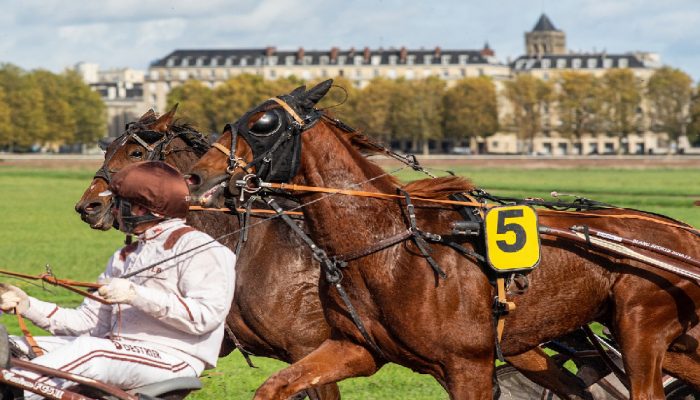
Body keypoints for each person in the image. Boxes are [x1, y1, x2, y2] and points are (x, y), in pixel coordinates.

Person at [0, 161, 236, 397]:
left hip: (175, 358)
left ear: (142, 209)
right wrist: (28, 305)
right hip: (114, 349)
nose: (113, 211)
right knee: (13, 346)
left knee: (91, 351)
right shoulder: (124, 257)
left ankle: (17, 392)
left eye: (119, 204)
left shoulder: (202, 249)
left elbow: (207, 316)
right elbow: (87, 324)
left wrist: (136, 295)